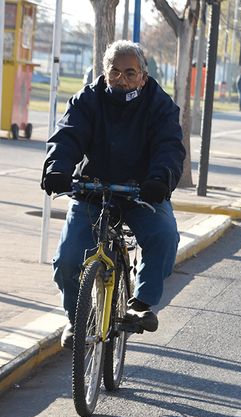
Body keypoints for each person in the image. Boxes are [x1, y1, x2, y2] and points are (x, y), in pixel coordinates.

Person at [41, 40, 185, 348]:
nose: (122, 79)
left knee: (164, 235)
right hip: (93, 189)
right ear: (104, 72)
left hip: (143, 191)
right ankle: (78, 320)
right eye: (115, 72)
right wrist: (57, 168)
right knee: (66, 260)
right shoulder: (88, 99)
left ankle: (141, 304)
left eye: (130, 73)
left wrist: (160, 179)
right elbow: (68, 135)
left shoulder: (160, 104)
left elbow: (169, 147)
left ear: (143, 76)